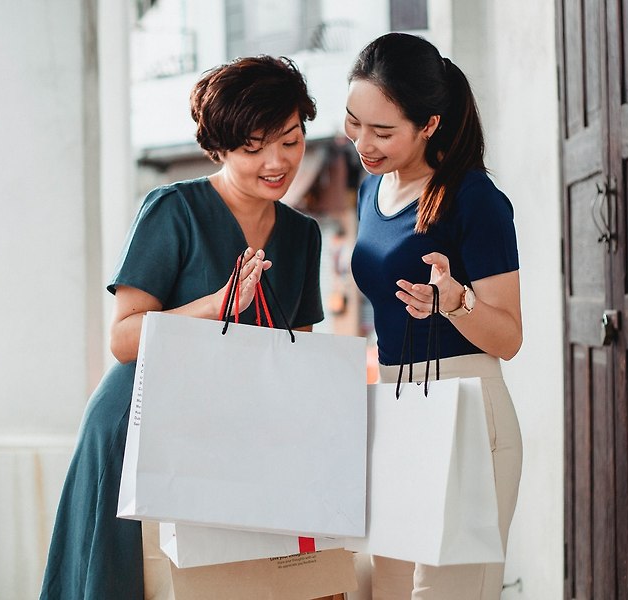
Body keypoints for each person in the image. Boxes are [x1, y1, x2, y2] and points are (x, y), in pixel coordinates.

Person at [40, 55, 324, 599]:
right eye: (253, 147)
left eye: (290, 140)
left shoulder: (302, 235)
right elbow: (123, 339)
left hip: (229, 438)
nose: (277, 161)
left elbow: (295, 359)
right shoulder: (173, 209)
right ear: (219, 147)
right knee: (130, 581)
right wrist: (218, 305)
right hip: (139, 431)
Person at [346, 32, 523, 600]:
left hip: (465, 407)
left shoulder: (475, 198)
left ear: (429, 125)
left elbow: (510, 336)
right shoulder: (370, 190)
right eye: (355, 123)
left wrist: (456, 302)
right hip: (396, 407)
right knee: (390, 591)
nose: (363, 144)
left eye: (383, 131)